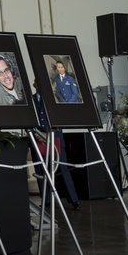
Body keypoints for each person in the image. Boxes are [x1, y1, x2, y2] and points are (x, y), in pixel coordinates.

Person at [32, 82, 80, 211]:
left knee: (62, 169)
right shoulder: (30, 101)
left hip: (54, 138)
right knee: (41, 171)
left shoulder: (55, 99)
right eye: (38, 82)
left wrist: (47, 134)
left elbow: (60, 120)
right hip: (36, 138)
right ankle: (46, 201)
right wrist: (37, 134)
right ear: (34, 84)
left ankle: (73, 199)